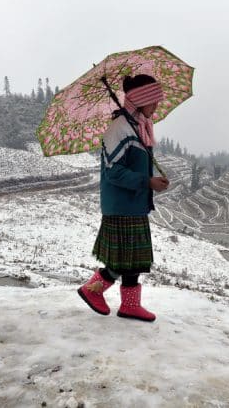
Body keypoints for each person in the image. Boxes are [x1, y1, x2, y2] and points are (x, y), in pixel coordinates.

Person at [77, 74, 170, 322]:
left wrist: (149, 181)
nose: (157, 106)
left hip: (135, 202)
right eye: (154, 101)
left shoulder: (139, 127)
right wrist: (147, 182)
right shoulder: (119, 129)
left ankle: (130, 305)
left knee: (133, 261)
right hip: (122, 204)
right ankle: (91, 290)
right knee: (121, 261)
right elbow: (113, 172)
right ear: (141, 100)